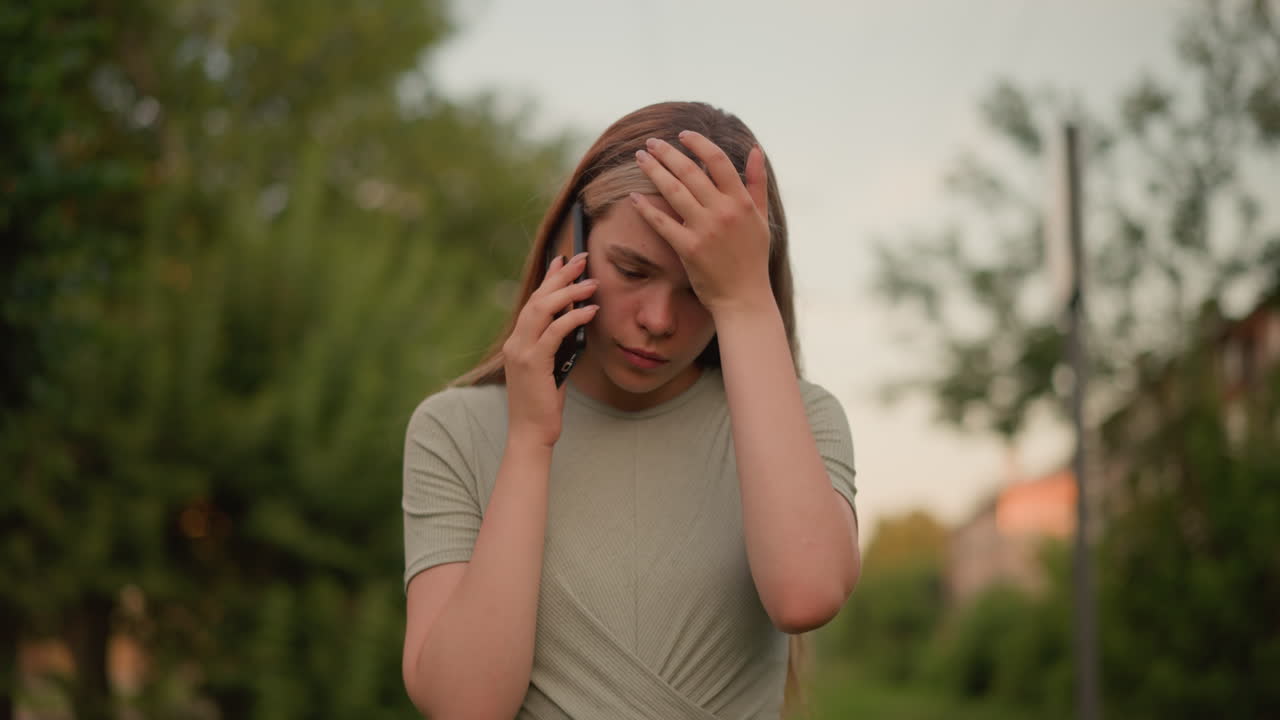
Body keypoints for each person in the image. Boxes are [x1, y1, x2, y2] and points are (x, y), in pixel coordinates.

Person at [401, 101, 861, 720]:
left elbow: (806, 594)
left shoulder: (804, 420)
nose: (659, 320)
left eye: (701, 289)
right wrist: (530, 441)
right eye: (632, 269)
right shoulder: (454, 429)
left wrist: (747, 305)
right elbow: (465, 706)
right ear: (571, 242)